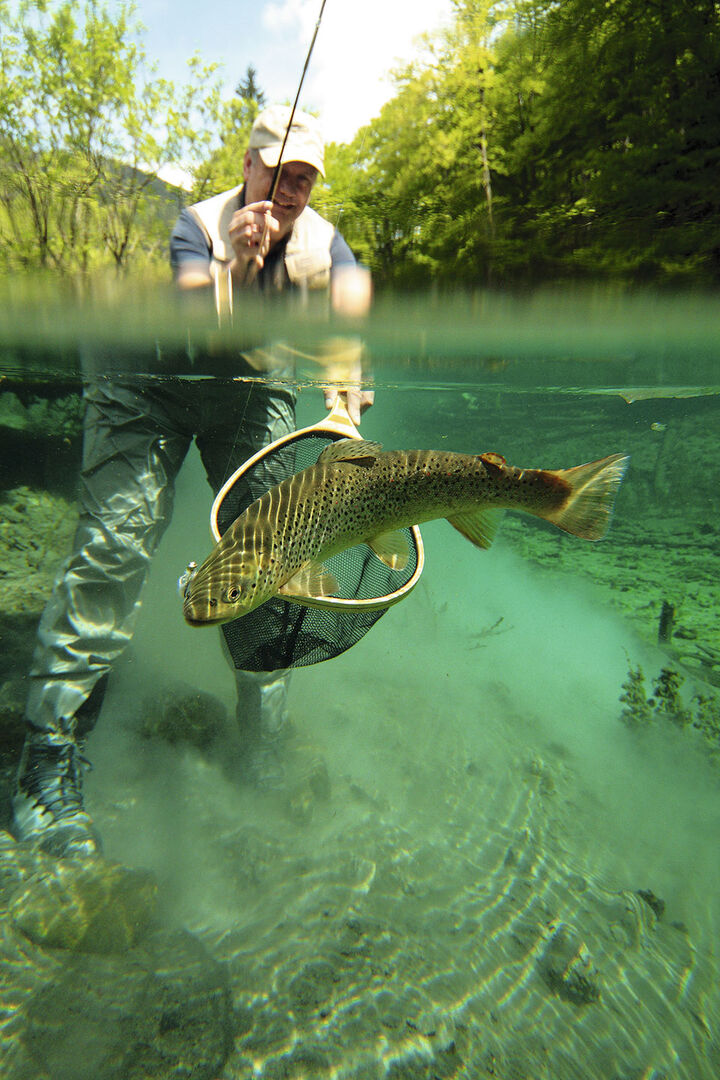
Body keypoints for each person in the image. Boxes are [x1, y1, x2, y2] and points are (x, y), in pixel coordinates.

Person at [12, 105, 373, 860]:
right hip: (142, 380)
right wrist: (238, 264)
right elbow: (197, 312)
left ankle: (262, 740)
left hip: (250, 383)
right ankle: (48, 756)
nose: (293, 192)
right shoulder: (195, 224)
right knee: (114, 550)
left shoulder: (328, 245)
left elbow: (349, 312)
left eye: (305, 179)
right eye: (280, 175)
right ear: (248, 166)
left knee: (268, 557)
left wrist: (344, 387)